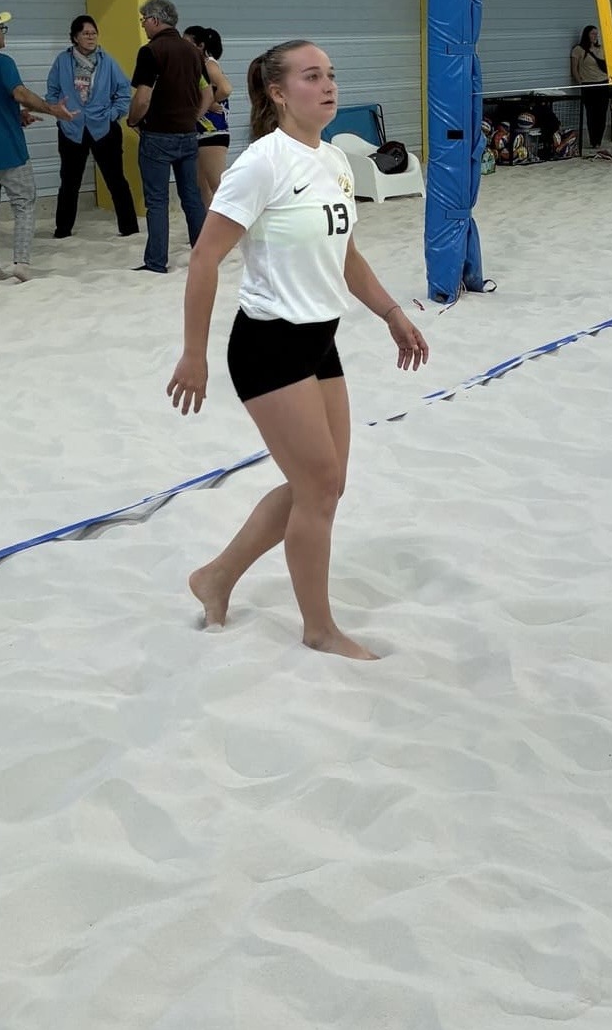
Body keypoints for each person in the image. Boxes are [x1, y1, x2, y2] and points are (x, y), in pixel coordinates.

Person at [168, 41, 430, 663]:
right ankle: (319, 629)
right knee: (317, 486)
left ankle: (216, 576)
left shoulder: (334, 159)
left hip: (319, 340)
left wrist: (392, 313)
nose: (329, 85)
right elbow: (204, 258)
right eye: (312, 77)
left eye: (331, 75)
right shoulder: (261, 164)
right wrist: (193, 355)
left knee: (324, 486)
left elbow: (346, 255)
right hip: (268, 344)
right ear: (279, 93)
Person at [0, 7, 74, 282]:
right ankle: (21, 262)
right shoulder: (2, 62)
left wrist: (15, 116)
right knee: (24, 203)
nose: (4, 34)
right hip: (8, 150)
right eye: (2, 29)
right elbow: (19, 93)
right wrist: (52, 109)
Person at [129, 0, 212, 274]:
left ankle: (156, 262)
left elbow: (143, 98)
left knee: (157, 201)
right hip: (187, 134)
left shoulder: (150, 51)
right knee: (192, 197)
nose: (143, 25)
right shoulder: (193, 52)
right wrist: (192, 117)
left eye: (144, 20)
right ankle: (204, 254)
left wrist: (133, 120)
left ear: (155, 20)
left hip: (157, 135)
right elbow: (207, 93)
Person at [46, 15, 138, 240]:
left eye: (94, 33)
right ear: (75, 37)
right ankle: (63, 230)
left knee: (116, 179)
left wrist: (113, 115)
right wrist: (60, 115)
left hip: (104, 128)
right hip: (71, 129)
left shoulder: (107, 61)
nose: (91, 37)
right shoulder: (62, 61)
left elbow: (124, 91)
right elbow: (52, 91)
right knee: (69, 181)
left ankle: (129, 228)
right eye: (86, 33)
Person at [185, 23, 234, 204]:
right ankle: (207, 221)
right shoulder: (197, 66)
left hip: (212, 131)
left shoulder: (209, 64)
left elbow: (226, 89)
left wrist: (210, 101)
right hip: (200, 132)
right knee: (202, 187)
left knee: (218, 188)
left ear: (201, 46)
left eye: (187, 43)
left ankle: (231, 220)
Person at [570, 23, 612, 158]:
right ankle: (593, 140)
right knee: (591, 113)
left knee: (602, 113)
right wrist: (581, 82)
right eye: (592, 34)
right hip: (588, 84)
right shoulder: (578, 50)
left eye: (596, 34)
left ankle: (598, 141)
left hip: (603, 83)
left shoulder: (600, 49)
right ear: (587, 35)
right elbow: (574, 69)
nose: (595, 36)